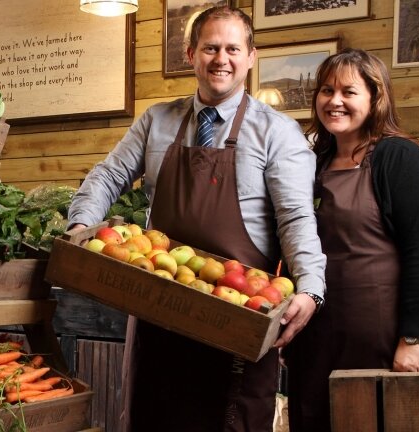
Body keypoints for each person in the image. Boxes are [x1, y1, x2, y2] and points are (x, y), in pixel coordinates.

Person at [66, 6, 327, 432]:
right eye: (210, 48)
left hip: (239, 314)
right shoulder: (157, 120)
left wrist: (311, 288)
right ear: (191, 54)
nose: (220, 59)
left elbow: (296, 218)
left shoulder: (278, 132)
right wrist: (80, 227)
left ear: (250, 57)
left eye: (231, 49)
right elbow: (109, 174)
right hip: (158, 308)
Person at [283, 48, 419, 431]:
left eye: (349, 92)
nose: (334, 101)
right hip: (324, 335)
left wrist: (412, 338)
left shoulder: (400, 158)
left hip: (391, 336)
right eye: (326, 90)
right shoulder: (313, 161)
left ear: (375, 97)